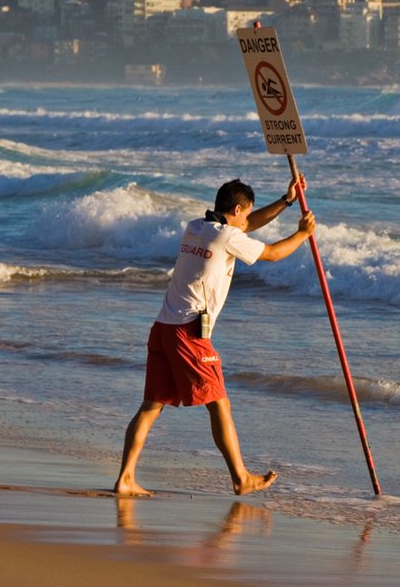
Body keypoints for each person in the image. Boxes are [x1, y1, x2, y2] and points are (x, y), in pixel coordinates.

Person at [114, 175, 316, 497]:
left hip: (163, 328)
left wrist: (286, 201)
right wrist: (302, 234)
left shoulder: (196, 227)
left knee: (151, 406)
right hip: (189, 334)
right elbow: (275, 254)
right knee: (219, 403)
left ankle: (125, 478)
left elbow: (244, 228)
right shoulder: (226, 238)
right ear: (237, 209)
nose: (247, 219)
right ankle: (241, 478)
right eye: (246, 213)